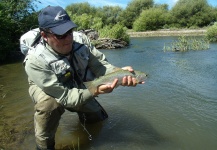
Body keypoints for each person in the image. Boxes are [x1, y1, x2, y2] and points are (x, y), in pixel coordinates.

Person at [22, 5, 141, 150]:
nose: (68, 39)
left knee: (98, 119)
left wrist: (119, 72)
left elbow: (100, 66)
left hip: (75, 79)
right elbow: (64, 96)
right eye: (60, 35)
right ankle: (44, 146)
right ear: (44, 35)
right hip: (48, 87)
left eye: (69, 31)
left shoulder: (81, 41)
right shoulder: (34, 60)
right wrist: (94, 91)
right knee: (50, 104)